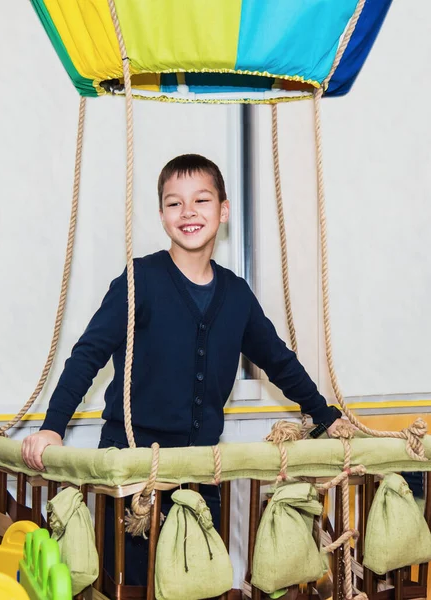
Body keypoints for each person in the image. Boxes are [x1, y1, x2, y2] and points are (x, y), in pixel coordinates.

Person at [21, 153, 345, 584]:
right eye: (175, 203)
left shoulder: (237, 295)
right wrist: (52, 427)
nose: (188, 212)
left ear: (223, 210)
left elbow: (279, 361)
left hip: (198, 474)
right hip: (132, 471)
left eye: (202, 200)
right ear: (161, 215)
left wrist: (324, 414)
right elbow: (88, 354)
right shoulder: (140, 280)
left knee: (198, 584)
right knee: (131, 585)